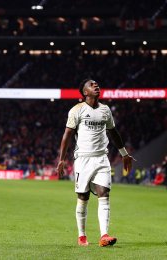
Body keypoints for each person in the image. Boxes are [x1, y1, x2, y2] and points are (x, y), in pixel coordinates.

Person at [57, 79, 134, 247]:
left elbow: (113, 133)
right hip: (83, 159)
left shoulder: (105, 110)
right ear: (85, 92)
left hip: (101, 158)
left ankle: (104, 235)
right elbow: (67, 135)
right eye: (92, 85)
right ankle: (82, 236)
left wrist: (124, 154)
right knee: (83, 197)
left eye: (97, 84)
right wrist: (62, 159)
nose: (96, 86)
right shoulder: (77, 110)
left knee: (104, 193)